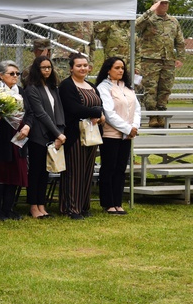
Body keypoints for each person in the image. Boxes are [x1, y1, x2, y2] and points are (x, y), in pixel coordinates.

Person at [0, 61, 30, 220]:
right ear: (1, 75)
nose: (15, 76)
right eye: (12, 73)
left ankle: (9, 209)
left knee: (14, 175)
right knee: (0, 176)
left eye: (17, 73)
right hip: (1, 139)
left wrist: (27, 126)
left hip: (19, 137)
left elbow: (31, 113)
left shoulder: (21, 91)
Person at [58, 53, 104, 220]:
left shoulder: (91, 85)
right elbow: (73, 108)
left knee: (87, 171)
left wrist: (100, 114)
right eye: (79, 66)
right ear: (71, 68)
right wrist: (96, 112)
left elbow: (100, 105)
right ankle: (71, 208)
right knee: (74, 171)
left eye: (85, 65)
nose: (83, 68)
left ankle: (84, 206)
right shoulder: (67, 86)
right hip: (75, 134)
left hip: (92, 133)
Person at [95, 57, 140, 215]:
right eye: (117, 68)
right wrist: (128, 128)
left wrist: (134, 126)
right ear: (108, 70)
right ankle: (108, 203)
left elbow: (136, 109)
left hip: (127, 135)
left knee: (121, 168)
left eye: (122, 68)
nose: (121, 70)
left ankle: (118, 202)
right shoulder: (103, 87)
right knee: (109, 167)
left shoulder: (127, 87)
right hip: (111, 134)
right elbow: (109, 112)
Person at [22, 56, 65, 219]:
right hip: (39, 136)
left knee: (45, 172)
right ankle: (34, 206)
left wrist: (60, 133)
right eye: (43, 68)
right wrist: (57, 133)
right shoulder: (32, 88)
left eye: (49, 67)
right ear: (36, 69)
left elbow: (59, 111)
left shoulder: (53, 87)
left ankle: (42, 204)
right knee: (36, 171)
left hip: (53, 135)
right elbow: (40, 113)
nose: (47, 70)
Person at [137, 0, 185, 127]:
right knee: (151, 89)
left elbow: (180, 41)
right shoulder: (148, 20)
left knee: (165, 89)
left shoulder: (173, 21)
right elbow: (135, 26)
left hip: (168, 60)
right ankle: (152, 116)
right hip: (150, 60)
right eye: (161, 3)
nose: (165, 5)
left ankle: (161, 115)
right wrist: (149, 11)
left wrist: (180, 57)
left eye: (166, 3)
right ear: (155, 4)